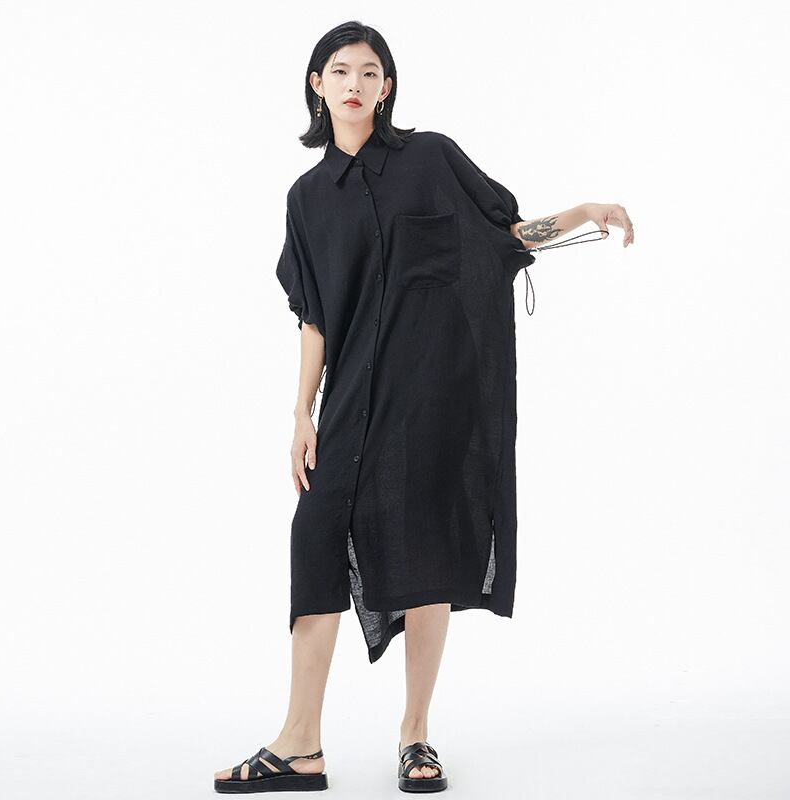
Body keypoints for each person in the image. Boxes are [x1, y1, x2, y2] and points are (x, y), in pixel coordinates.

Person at [214, 21, 634, 796]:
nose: (355, 83)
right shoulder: (306, 199)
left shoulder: (431, 160)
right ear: (317, 84)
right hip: (350, 405)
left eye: (370, 71)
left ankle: (415, 735)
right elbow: (314, 319)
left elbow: (504, 237)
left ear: (387, 87)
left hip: (430, 401)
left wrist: (581, 211)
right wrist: (302, 413)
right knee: (314, 543)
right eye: (341, 70)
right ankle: (300, 744)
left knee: (426, 555)